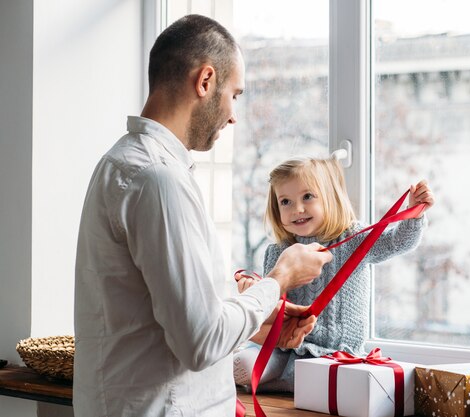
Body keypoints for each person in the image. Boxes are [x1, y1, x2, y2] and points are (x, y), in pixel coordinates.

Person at [73, 15, 332, 417]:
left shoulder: (123, 164)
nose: (233, 116)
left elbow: (166, 314)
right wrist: (279, 281)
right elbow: (200, 343)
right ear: (206, 81)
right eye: (235, 94)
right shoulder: (156, 180)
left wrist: (262, 321)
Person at [233, 157, 434, 392]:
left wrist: (415, 214)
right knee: (245, 364)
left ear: (330, 198)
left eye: (307, 197)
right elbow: (274, 307)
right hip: (285, 349)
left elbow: (396, 242)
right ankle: (288, 382)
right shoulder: (278, 251)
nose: (297, 209)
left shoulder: (353, 238)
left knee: (333, 380)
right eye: (285, 201)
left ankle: (290, 384)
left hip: (336, 353)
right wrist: (255, 290)